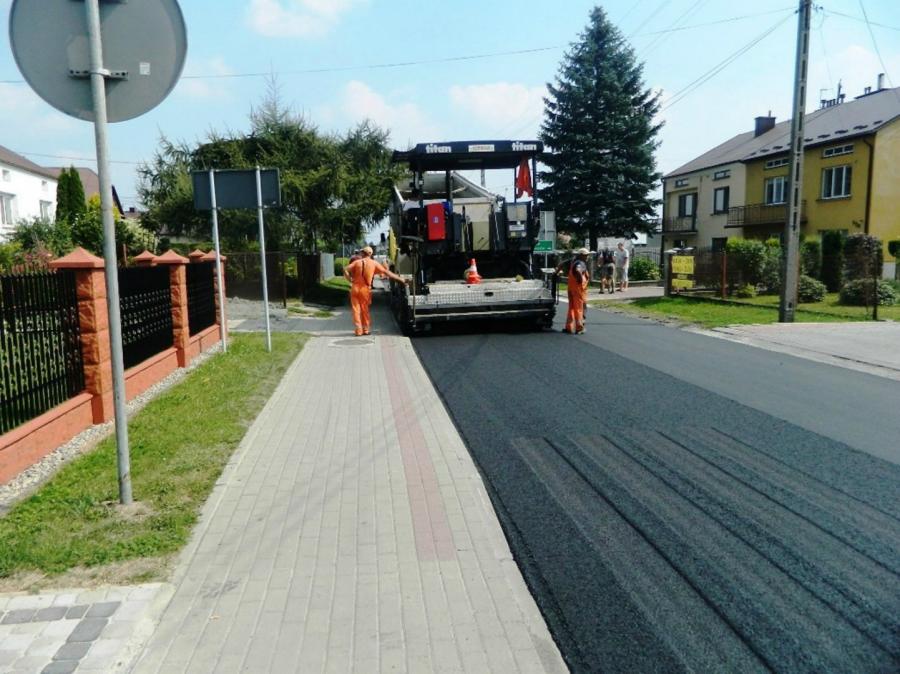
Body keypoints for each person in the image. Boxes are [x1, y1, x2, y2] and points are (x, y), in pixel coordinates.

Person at [343, 246, 407, 336]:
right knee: (364, 309)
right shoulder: (374, 263)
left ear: (363, 253)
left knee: (356, 309)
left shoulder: (357, 262)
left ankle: (358, 330)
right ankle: (366, 330)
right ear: (371, 254)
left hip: (355, 288)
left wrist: (349, 279)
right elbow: (387, 273)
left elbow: (345, 269)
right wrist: (401, 280)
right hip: (365, 289)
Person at [557, 248, 590, 334]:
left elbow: (561, 264)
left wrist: (556, 272)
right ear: (581, 255)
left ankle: (569, 327)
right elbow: (578, 270)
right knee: (579, 308)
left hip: (570, 288)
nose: (587, 257)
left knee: (571, 308)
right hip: (578, 290)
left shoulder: (573, 261)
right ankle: (579, 328)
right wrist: (580, 279)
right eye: (586, 255)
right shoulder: (581, 263)